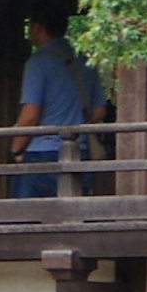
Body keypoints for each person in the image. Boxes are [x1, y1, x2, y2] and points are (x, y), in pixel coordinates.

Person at [13, 12, 104, 199]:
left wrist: (16, 148)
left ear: (38, 27)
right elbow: (99, 111)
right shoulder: (85, 61)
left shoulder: (38, 62)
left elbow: (30, 116)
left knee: (26, 218)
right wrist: (75, 124)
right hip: (80, 150)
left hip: (43, 153)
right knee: (73, 216)